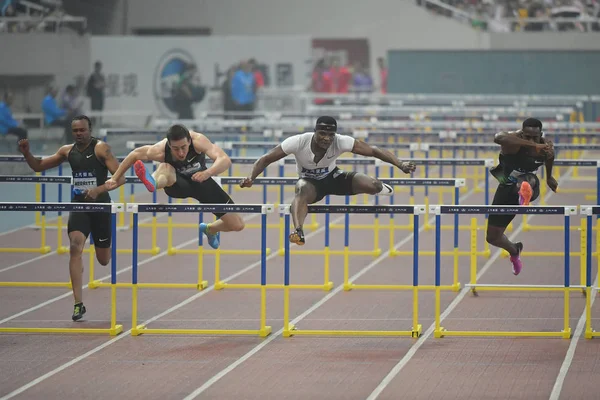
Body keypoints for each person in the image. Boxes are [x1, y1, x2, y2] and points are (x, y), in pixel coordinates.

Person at [239, 116, 416, 245]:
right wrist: (251, 177)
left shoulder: (341, 141)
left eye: (330, 135)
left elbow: (374, 150)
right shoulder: (298, 142)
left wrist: (400, 164)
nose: (326, 138)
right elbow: (266, 159)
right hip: (311, 184)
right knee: (300, 188)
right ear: (315, 132)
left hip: (334, 178)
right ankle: (298, 231)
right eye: (322, 133)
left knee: (373, 185)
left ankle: (379, 187)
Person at [18, 115, 124, 321]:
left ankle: (101, 244)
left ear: (90, 130)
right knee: (75, 247)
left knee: (103, 260)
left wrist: (99, 189)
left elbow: (120, 177)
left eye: (82, 130)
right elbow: (38, 166)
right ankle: (78, 304)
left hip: (101, 207)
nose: (79, 134)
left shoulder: (102, 149)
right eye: (75, 131)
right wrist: (27, 154)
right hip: (79, 206)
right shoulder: (67, 151)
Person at [105, 124, 245, 249]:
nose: (181, 153)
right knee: (165, 167)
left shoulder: (198, 140)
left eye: (184, 147)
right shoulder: (160, 150)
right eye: (175, 149)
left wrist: (208, 173)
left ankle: (210, 229)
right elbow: (134, 154)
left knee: (237, 225)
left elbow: (225, 160)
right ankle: (153, 182)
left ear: (189, 141)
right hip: (178, 184)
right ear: (170, 145)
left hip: (202, 182)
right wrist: (115, 178)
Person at [487, 118, 556, 276]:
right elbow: (498, 137)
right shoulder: (512, 141)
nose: (532, 140)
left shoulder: (545, 148)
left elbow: (550, 157)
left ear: (541, 134)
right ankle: (514, 249)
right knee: (492, 237)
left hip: (531, 185)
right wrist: (533, 144)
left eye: (535, 137)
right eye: (527, 136)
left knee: (527, 179)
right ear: (521, 133)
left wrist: (550, 177)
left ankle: (524, 194)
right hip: (506, 186)